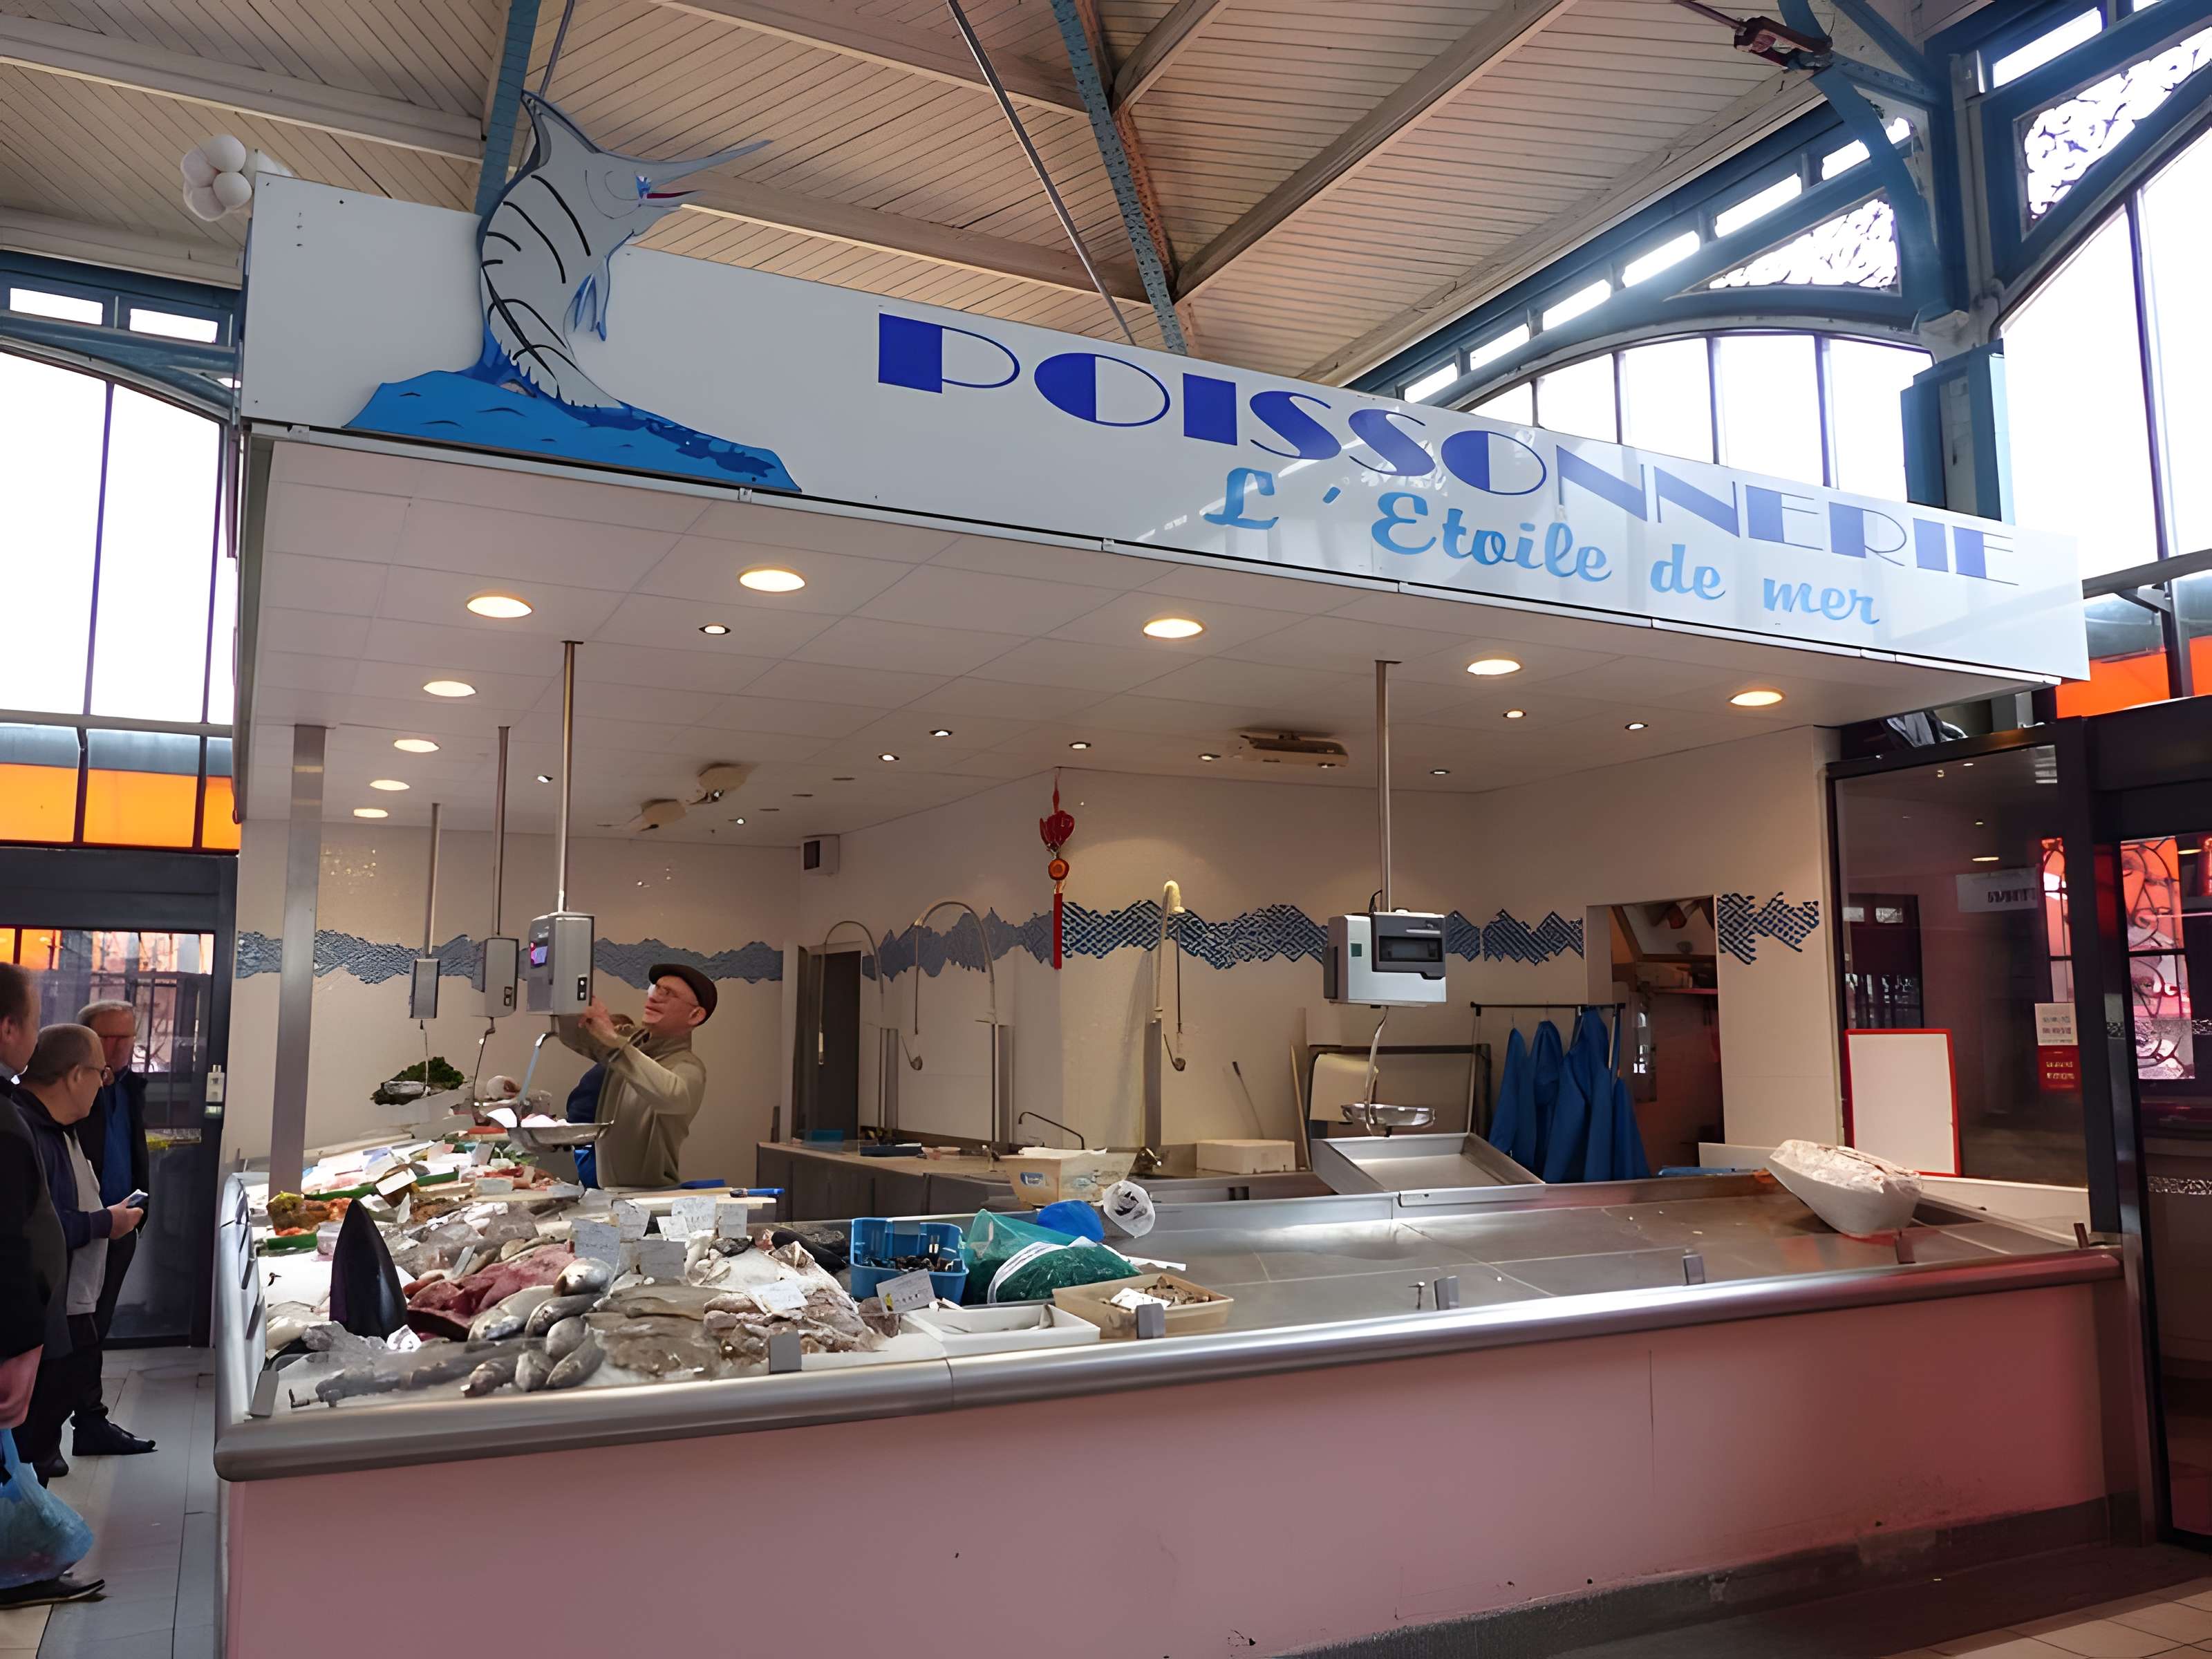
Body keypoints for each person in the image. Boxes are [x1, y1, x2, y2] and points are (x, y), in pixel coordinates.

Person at [0, 969, 100, 1607]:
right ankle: (19, 1572)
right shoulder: (9, 1123)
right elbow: (8, 1242)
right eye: (32, 1022)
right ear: (6, 1028)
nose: (34, 1039)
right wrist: (20, 1344)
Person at [15, 1026, 144, 1484]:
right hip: (38, 1320)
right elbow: (39, 1229)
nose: (103, 1082)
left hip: (65, 1311)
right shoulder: (23, 1130)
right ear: (74, 1076)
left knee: (38, 1450)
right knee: (26, 1455)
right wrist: (105, 1223)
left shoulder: (58, 1128)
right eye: (98, 1072)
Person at [69, 1000, 151, 1456]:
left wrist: (141, 1211)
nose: (119, 1049)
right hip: (82, 1230)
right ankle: (46, 1438)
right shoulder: (76, 1091)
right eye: (109, 1038)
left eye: (127, 1038)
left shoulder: (128, 1087)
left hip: (122, 1226)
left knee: (95, 1331)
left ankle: (88, 1423)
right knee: (72, 1333)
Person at [554, 964, 713, 1189]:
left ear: (695, 1015)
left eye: (668, 994)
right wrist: (568, 995)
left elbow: (672, 1095)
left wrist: (614, 1042)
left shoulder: (688, 1066)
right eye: (655, 989)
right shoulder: (633, 1042)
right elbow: (574, 1035)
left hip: (649, 1197)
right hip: (608, 1192)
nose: (655, 997)